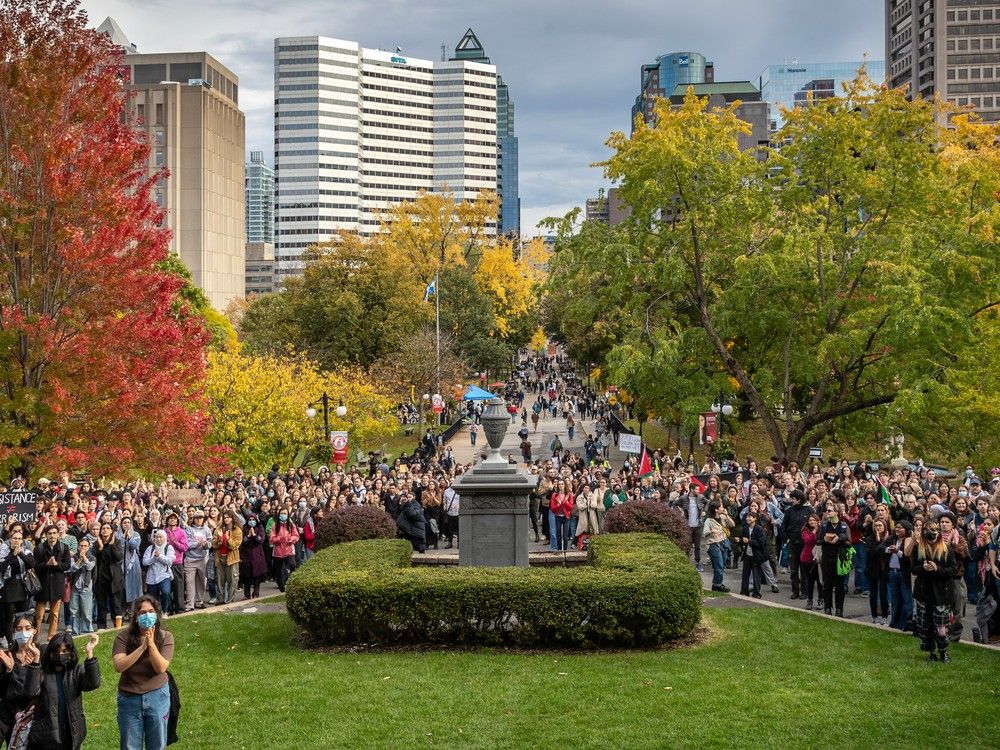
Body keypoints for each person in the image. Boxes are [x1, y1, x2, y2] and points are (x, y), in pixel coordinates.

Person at [21, 631, 101, 750]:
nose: (60, 654)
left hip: (71, 734)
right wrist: (36, 660)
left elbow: (93, 683)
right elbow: (30, 692)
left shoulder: (76, 672)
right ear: (50, 653)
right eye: (57, 651)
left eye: (64, 651)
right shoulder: (42, 672)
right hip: (45, 737)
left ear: (71, 653)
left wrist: (89, 653)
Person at [113, 596, 174, 750]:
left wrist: (151, 644)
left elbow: (161, 667)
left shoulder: (166, 637)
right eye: (142, 612)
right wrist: (142, 647)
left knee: (158, 745)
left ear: (157, 613)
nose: (147, 615)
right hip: (129, 700)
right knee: (129, 746)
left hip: (158, 697)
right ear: (135, 616)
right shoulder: (123, 638)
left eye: (151, 611)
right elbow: (119, 665)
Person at [910, 520, 957, 662]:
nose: (930, 533)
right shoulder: (918, 548)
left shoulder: (947, 549)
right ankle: (931, 653)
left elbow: (953, 570)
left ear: (938, 532)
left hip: (942, 593)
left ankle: (944, 652)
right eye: (926, 530)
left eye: (933, 530)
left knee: (941, 628)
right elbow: (913, 569)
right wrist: (923, 568)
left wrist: (937, 569)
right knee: (925, 626)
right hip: (923, 592)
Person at [33, 525, 70, 642]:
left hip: (57, 585)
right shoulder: (39, 548)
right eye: (50, 533)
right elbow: (35, 566)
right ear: (46, 535)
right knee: (39, 616)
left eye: (54, 533)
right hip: (42, 586)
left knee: (54, 615)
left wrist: (56, 564)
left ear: (58, 534)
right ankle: (35, 639)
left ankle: (51, 638)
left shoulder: (64, 547)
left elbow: (67, 565)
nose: (52, 536)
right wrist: (47, 564)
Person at [0, 529, 35, 645]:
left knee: (22, 615)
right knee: (9, 616)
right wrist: (12, 554)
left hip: (22, 586)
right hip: (8, 586)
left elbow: (31, 564)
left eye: (19, 538)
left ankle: (23, 639)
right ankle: (10, 641)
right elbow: (2, 567)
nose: (17, 540)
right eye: (15, 538)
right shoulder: (4, 551)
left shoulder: (26, 550)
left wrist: (20, 553)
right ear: (10, 540)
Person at [819, 505, 850, 617]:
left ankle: (839, 609)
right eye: (826, 511)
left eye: (830, 511)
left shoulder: (843, 525)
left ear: (836, 512)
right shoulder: (823, 525)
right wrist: (824, 540)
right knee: (827, 584)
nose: (827, 512)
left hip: (840, 559)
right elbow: (817, 541)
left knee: (840, 585)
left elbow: (849, 543)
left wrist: (840, 537)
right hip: (827, 558)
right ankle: (827, 608)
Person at [94, 521, 125, 630]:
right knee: (101, 603)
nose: (105, 530)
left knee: (115, 604)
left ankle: (118, 625)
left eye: (108, 528)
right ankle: (101, 625)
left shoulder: (117, 542)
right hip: (101, 578)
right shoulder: (96, 543)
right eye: (103, 528)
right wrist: (101, 549)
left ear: (111, 531)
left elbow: (119, 558)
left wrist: (112, 546)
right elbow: (94, 559)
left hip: (115, 578)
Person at [182, 509, 211, 611]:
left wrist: (206, 545)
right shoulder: (189, 529)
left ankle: (199, 601)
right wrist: (197, 544)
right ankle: (190, 604)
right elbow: (187, 544)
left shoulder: (207, 529)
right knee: (190, 583)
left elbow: (210, 543)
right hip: (190, 559)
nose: (199, 519)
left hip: (202, 559)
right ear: (193, 519)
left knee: (202, 582)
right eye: (197, 517)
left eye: (201, 517)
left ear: (204, 519)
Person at [141, 529, 175, 615]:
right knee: (152, 596)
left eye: (160, 537)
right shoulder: (150, 548)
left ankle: (165, 611)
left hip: (164, 575)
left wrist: (159, 556)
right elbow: (145, 562)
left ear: (165, 538)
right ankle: (155, 612)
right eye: (156, 537)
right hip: (151, 576)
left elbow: (169, 561)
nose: (158, 539)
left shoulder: (169, 548)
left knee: (166, 592)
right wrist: (153, 558)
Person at [68, 538, 96, 635]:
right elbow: (72, 569)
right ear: (78, 546)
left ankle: (87, 631)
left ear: (88, 547)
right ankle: (75, 632)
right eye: (81, 546)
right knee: (74, 611)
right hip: (75, 587)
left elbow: (90, 567)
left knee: (86, 611)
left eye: (85, 546)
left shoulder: (92, 557)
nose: (83, 548)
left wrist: (85, 559)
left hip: (86, 587)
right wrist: (79, 560)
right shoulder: (74, 557)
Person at [214, 511, 243, 603]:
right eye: (225, 517)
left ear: (232, 518)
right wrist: (219, 541)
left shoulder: (237, 530)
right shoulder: (219, 529)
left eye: (228, 517)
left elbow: (235, 546)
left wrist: (227, 538)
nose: (226, 519)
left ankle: (230, 600)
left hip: (232, 559)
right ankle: (220, 600)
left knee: (232, 581)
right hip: (220, 558)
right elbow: (213, 544)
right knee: (219, 581)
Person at [703, 502, 733, 592]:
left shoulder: (723, 517)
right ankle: (718, 585)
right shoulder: (709, 520)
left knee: (722, 565)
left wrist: (727, 515)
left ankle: (716, 584)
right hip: (713, 545)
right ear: (716, 509)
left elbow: (732, 525)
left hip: (723, 543)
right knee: (719, 565)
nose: (723, 508)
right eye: (721, 507)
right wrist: (712, 531)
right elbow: (704, 533)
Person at [239, 514, 268, 600]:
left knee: (257, 576)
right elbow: (241, 541)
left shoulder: (260, 528)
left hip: (257, 555)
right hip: (246, 555)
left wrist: (254, 535)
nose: (252, 521)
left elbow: (261, 540)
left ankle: (256, 593)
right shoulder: (244, 528)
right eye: (250, 519)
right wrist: (248, 536)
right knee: (246, 576)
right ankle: (246, 595)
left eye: (253, 519)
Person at [739, 511, 767, 598]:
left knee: (756, 575)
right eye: (747, 517)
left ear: (755, 519)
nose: (747, 518)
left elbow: (761, 543)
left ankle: (756, 593)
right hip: (747, 555)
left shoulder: (759, 529)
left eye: (750, 517)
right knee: (745, 574)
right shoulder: (745, 528)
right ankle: (744, 591)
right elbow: (743, 541)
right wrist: (739, 540)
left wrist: (749, 541)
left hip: (757, 556)